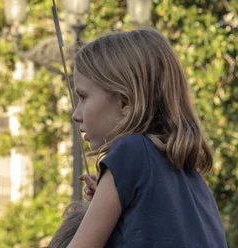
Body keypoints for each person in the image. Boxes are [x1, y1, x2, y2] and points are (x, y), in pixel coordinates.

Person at [65, 27, 227, 248]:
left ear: (125, 103)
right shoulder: (193, 181)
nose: (76, 114)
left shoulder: (131, 151)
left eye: (83, 97)